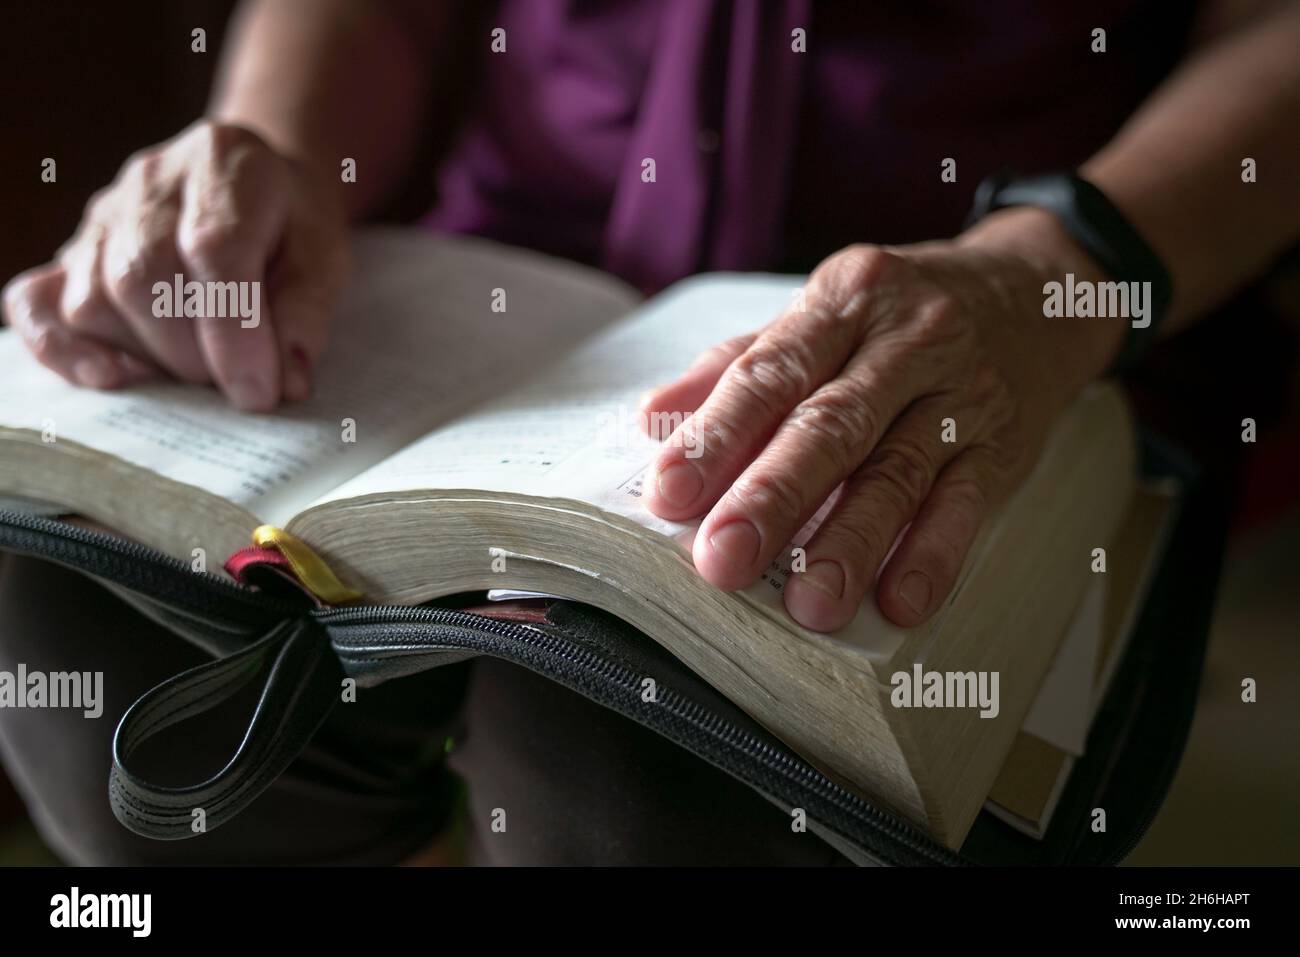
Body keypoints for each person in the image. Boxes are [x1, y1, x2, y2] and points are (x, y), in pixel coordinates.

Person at [2, 0, 1298, 865]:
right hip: (512, 279)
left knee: (629, 764)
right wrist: (272, 149)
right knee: (85, 620)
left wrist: (1054, 277)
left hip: (1024, 288)